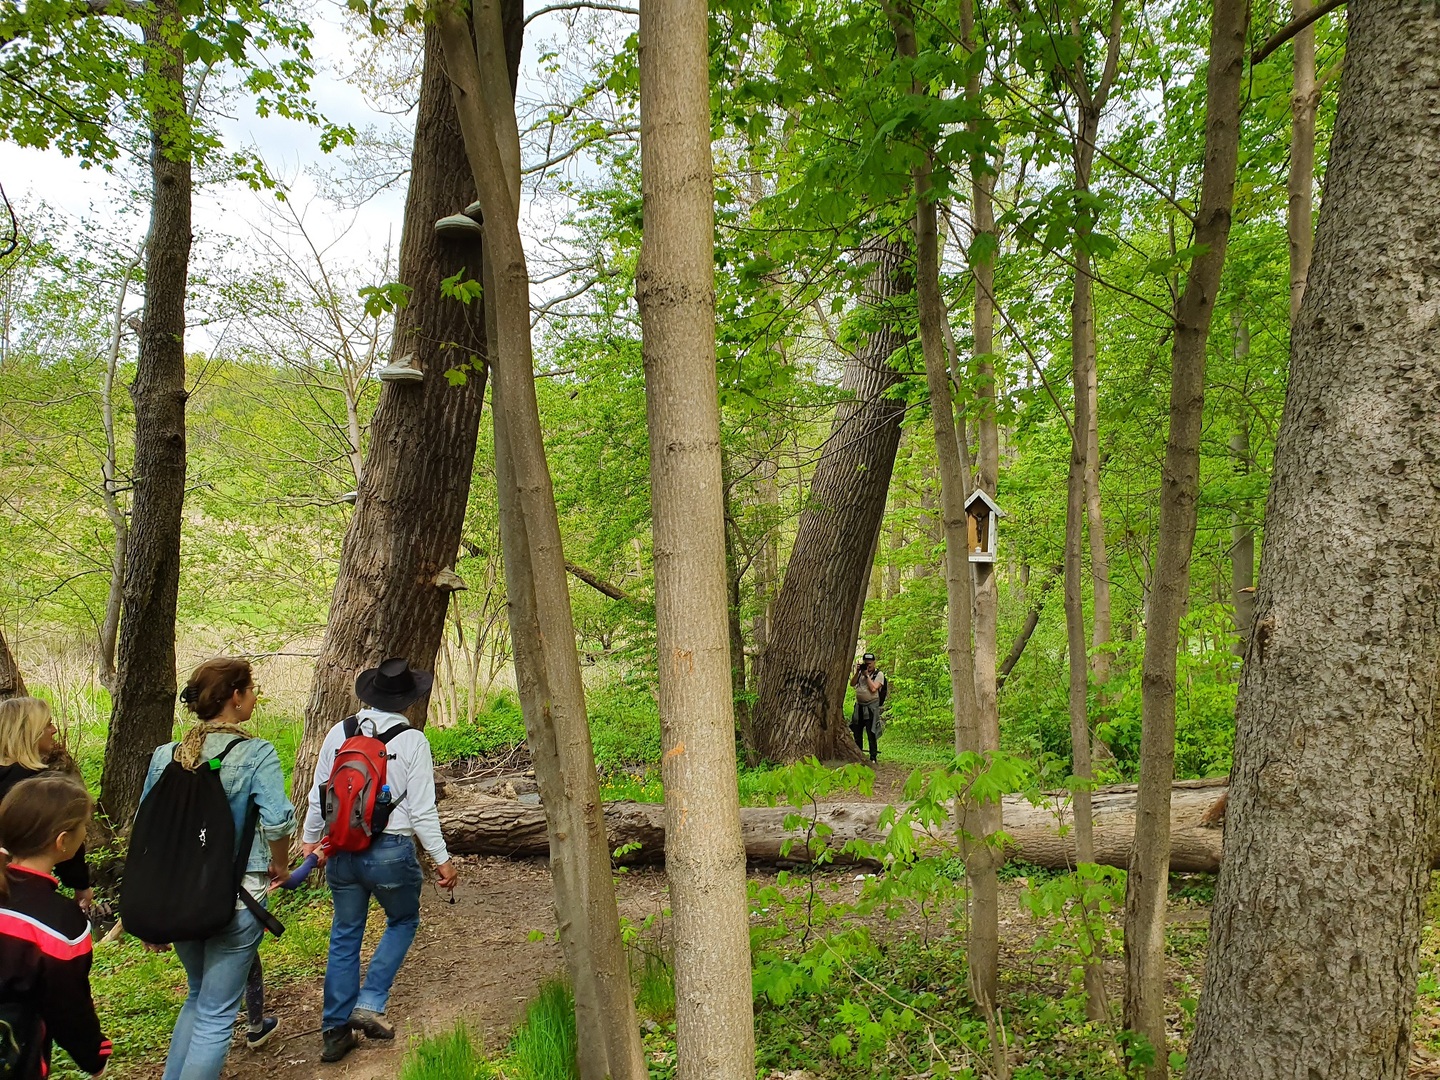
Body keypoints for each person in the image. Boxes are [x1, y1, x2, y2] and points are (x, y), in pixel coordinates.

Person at [141, 658, 296, 1080]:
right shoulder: (255, 752)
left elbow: (147, 830)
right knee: (216, 1013)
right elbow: (279, 820)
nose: (255, 696)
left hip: (180, 898)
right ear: (235, 696)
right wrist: (280, 865)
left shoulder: (165, 755)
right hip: (238, 897)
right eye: (252, 689)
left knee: (197, 997)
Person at [302, 658, 458, 1064]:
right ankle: (369, 1003)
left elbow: (321, 793)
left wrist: (309, 841)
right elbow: (423, 811)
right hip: (390, 851)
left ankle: (335, 1032)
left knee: (345, 934)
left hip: (341, 851)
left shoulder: (340, 732)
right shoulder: (412, 741)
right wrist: (442, 860)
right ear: (407, 700)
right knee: (403, 920)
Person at [0, 773, 112, 1078]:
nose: (86, 833)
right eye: (84, 828)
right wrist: (94, 1056)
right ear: (63, 842)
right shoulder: (60, 924)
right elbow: (69, 1009)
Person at [0, 697, 94, 915]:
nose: (53, 730)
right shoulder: (41, 786)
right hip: (23, 894)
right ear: (29, 732)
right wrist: (80, 884)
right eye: (47, 724)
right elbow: (62, 835)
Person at [849, 652, 886, 763]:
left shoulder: (878, 674)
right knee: (857, 731)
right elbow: (852, 683)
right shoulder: (860, 673)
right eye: (866, 663)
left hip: (871, 707)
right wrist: (858, 672)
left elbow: (874, 688)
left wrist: (867, 676)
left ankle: (873, 757)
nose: (868, 665)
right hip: (859, 707)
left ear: (874, 663)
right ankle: (859, 755)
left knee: (871, 732)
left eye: (870, 664)